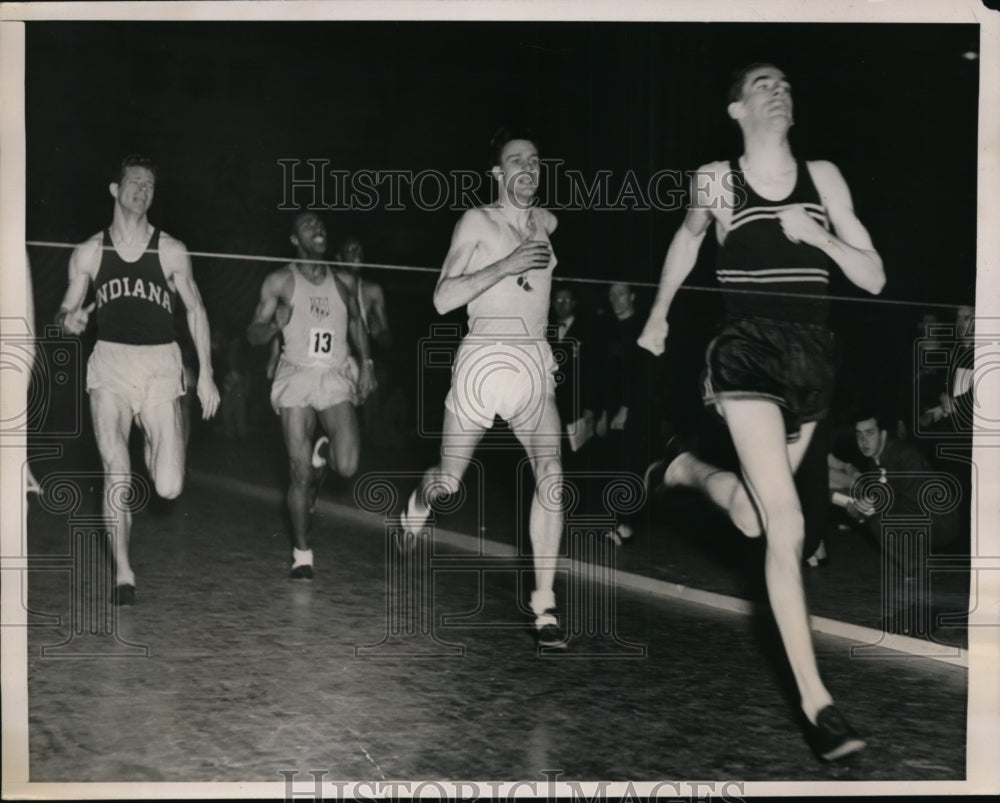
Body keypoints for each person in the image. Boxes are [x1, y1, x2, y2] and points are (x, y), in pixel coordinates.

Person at [638, 65, 885, 760]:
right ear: (736, 107)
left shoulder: (824, 177)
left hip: (813, 361)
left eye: (785, 82)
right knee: (790, 522)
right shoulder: (717, 178)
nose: (779, 88)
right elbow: (688, 239)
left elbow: (874, 276)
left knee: (752, 514)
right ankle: (819, 704)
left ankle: (684, 469)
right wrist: (657, 315)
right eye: (762, 82)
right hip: (744, 354)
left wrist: (819, 239)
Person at [400, 126, 567, 648]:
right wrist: (507, 265)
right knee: (448, 484)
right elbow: (443, 298)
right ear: (498, 173)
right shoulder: (477, 221)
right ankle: (419, 503)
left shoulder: (545, 223)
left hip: (533, 362)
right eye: (516, 160)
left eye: (535, 161)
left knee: (552, 475)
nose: (529, 168)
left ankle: (544, 604)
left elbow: (544, 240)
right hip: (484, 362)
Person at [55, 154, 220, 606]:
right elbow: (66, 312)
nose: (143, 190)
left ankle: (154, 438)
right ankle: (124, 572)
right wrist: (70, 321)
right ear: (115, 190)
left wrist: (205, 374)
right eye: (135, 183)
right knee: (116, 469)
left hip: (161, 365)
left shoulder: (171, 250)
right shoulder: (90, 251)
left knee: (168, 485)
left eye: (150, 184)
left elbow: (196, 310)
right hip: (110, 364)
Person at [247, 212, 375, 579]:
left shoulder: (344, 281)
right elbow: (253, 333)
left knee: (348, 464)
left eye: (320, 224)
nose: (317, 229)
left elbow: (355, 322)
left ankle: (325, 454)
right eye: (307, 225)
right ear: (293, 239)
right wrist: (275, 324)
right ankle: (302, 553)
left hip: (333, 374)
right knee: (299, 471)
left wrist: (366, 363)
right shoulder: (280, 281)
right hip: (297, 375)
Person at [595, 282, 658, 543]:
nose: (615, 299)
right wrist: (601, 413)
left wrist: (625, 409)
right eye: (611, 294)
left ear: (632, 296)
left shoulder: (642, 329)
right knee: (612, 465)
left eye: (620, 294)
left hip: (635, 411)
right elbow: (604, 377)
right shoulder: (607, 329)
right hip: (611, 411)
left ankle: (628, 525)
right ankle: (613, 521)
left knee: (631, 466)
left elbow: (642, 376)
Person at [333, 237, 396, 450]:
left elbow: (387, 339)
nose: (356, 251)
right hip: (336, 354)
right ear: (339, 259)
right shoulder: (330, 284)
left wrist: (379, 333)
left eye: (359, 248)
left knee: (379, 377)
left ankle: (368, 441)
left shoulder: (373, 290)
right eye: (349, 249)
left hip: (365, 354)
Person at [548, 283, 598, 465]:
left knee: (576, 454)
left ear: (574, 303)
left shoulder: (587, 330)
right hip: (551, 401)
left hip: (577, 403)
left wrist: (590, 406)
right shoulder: (545, 330)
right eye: (558, 300)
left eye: (566, 300)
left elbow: (592, 370)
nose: (561, 305)